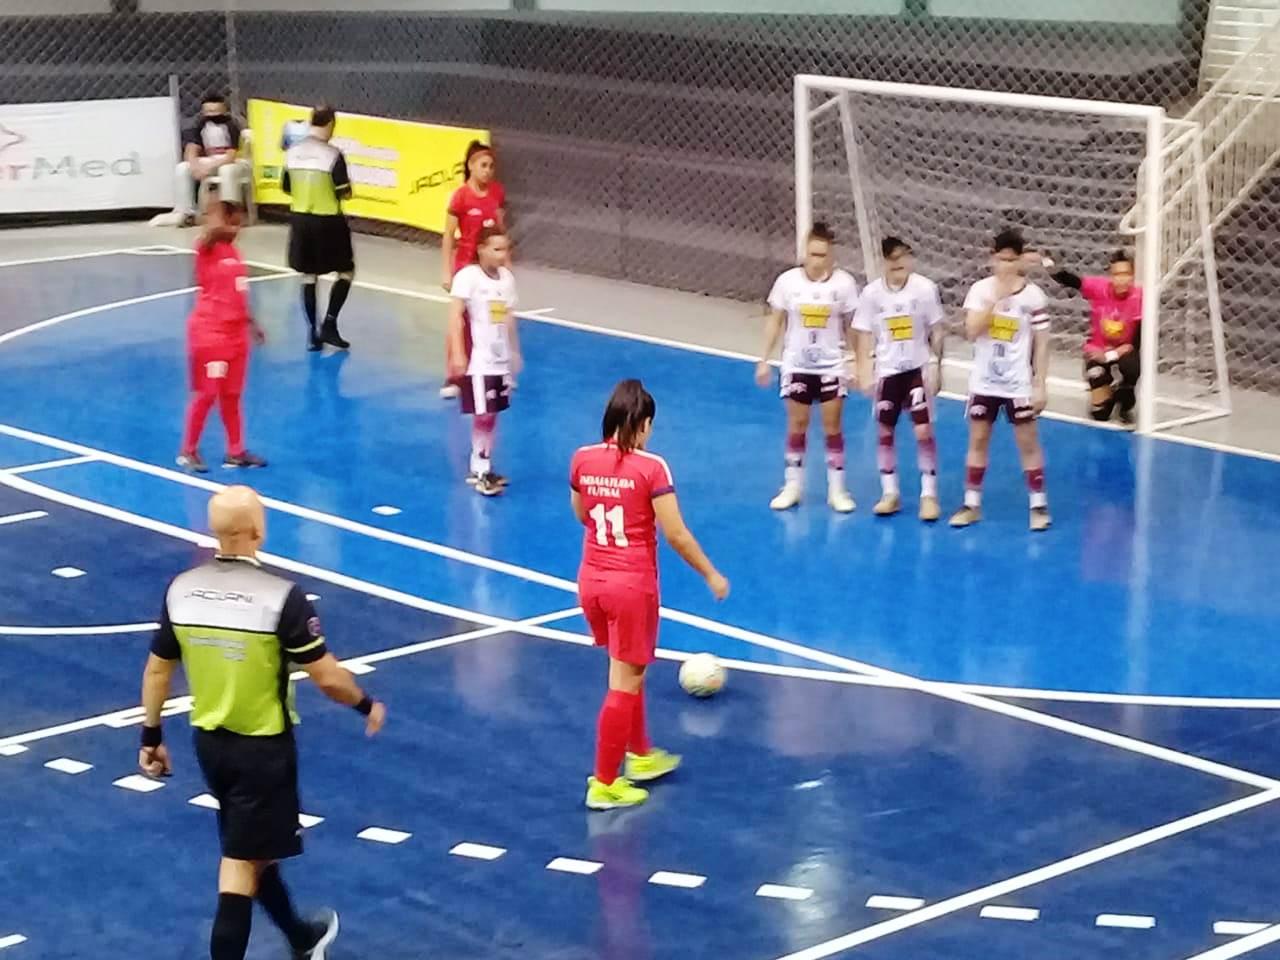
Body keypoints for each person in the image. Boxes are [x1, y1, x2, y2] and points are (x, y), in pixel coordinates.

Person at [138, 485, 386, 960]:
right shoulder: (280, 598)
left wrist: (151, 735)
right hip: (263, 751)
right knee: (239, 865)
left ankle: (301, 937)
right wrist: (364, 704)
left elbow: (157, 668)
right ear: (258, 530)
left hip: (209, 744)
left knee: (252, 850)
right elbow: (329, 678)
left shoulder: (182, 590)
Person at [569, 380, 729, 810]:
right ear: (642, 425)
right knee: (627, 680)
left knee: (622, 670)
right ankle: (604, 783)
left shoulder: (583, 459)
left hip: (592, 580)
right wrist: (711, 574)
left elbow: (582, 513)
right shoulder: (652, 468)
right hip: (631, 586)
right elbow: (675, 533)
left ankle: (639, 755)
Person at [755, 222, 860, 513]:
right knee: (797, 424)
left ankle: (837, 490)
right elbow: (775, 320)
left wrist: (858, 363)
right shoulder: (787, 282)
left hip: (832, 366)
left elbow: (853, 327)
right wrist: (764, 359)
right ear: (805, 253)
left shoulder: (844, 285)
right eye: (813, 254)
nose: (817, 261)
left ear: (832, 256)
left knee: (832, 426)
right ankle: (792, 486)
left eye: (823, 255)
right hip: (797, 365)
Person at [951, 228, 1051, 532]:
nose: (1005, 266)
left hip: (1018, 383)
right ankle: (971, 504)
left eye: (1011, 260)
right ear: (993, 258)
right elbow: (971, 331)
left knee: (1027, 442)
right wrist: (996, 301)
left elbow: (1043, 344)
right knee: (978, 439)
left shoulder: (1034, 297)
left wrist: (1040, 384)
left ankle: (1038, 505)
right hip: (984, 382)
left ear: (1020, 261)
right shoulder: (981, 290)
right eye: (1000, 260)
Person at [853, 237, 946, 521]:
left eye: (903, 257)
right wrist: (864, 371)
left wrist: (937, 365)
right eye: (893, 259)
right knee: (885, 431)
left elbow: (937, 329)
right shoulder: (872, 294)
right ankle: (889, 492)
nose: (899, 264)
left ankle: (929, 495)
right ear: (884, 262)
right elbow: (864, 333)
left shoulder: (925, 289)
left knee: (923, 431)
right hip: (888, 373)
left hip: (916, 370)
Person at [177, 199, 267, 473]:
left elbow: (237, 292)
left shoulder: (234, 253)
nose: (238, 227)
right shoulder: (206, 248)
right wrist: (218, 220)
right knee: (206, 393)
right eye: (233, 221)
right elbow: (211, 233)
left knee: (232, 395)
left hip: (236, 336)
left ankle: (235, 451)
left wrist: (252, 323)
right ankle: (188, 451)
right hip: (210, 334)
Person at [448, 225, 521, 496]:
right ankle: (480, 469)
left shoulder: (506, 280)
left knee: (493, 414)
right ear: (481, 249)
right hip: (480, 359)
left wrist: (514, 351)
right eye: (497, 249)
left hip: (501, 359)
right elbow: (455, 316)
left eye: (506, 249)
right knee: (484, 412)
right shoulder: (468, 277)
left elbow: (508, 317)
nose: (503, 255)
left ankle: (483, 463)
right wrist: (458, 352)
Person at [282, 106, 354, 352]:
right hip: (329, 221)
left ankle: (312, 333)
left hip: (301, 220)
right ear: (331, 124)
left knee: (309, 275)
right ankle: (330, 324)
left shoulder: (292, 152)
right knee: (346, 271)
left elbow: (287, 187)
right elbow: (344, 191)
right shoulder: (333, 155)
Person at [1042, 249, 1141, 426]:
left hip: (1124, 351)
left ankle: (1125, 400)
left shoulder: (1139, 297)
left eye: (1126, 274)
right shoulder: (1099, 288)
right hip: (1097, 351)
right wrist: (1049, 264)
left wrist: (1111, 355)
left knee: (1131, 367)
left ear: (1133, 276)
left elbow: (1136, 341)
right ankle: (1110, 391)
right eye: (1117, 274)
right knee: (1100, 414)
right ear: (1111, 276)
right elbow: (1071, 280)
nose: (1121, 279)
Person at [440, 141, 507, 399]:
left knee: (494, 319)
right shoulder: (460, 197)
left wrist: (506, 266)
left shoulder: (497, 193)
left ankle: (494, 374)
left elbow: (500, 232)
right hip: (465, 268)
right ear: (470, 166)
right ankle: (456, 376)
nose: (488, 170)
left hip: (490, 271)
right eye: (483, 165)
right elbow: (448, 236)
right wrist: (447, 272)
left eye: (491, 166)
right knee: (461, 322)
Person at [173, 93, 250, 227]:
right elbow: (192, 148)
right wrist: (195, 164)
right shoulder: (200, 125)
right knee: (182, 168)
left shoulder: (231, 125)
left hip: (232, 161)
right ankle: (187, 212)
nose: (212, 115)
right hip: (209, 158)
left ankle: (230, 212)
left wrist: (209, 167)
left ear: (224, 110)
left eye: (215, 111)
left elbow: (232, 154)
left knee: (227, 171)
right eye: (208, 111)